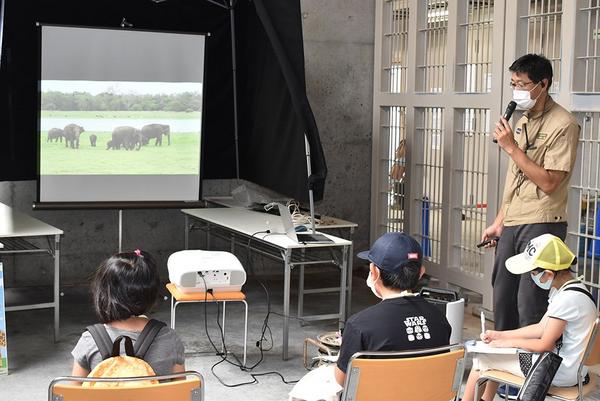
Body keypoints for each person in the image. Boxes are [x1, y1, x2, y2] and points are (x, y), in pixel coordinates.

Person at [481, 54, 580, 332]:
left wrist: (511, 147)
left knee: (529, 302)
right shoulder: (523, 120)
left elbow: (549, 183)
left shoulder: (564, 124)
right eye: (513, 84)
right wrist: (499, 222)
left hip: (541, 222)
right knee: (503, 298)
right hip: (513, 221)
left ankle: (530, 358)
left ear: (543, 84)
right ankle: (502, 356)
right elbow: (516, 178)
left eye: (522, 84)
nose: (517, 91)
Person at [289, 232, 452, 401]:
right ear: (420, 273)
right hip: (427, 396)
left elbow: (341, 380)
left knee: (309, 385)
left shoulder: (359, 325)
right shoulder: (439, 318)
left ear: (375, 272)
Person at [461, 234, 597, 401]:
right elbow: (540, 328)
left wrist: (507, 343)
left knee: (481, 361)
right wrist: (500, 335)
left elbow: (544, 345)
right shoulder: (573, 289)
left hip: (558, 370)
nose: (531, 277)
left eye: (533, 272)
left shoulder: (567, 299)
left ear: (548, 274)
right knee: (496, 354)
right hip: (573, 367)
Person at [71, 249, 185, 377]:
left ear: (103, 293)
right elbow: (182, 388)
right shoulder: (169, 339)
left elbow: (73, 389)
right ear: (152, 294)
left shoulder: (90, 341)